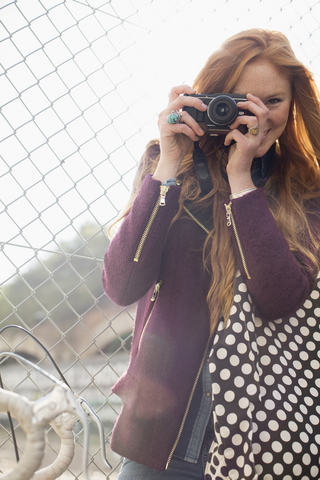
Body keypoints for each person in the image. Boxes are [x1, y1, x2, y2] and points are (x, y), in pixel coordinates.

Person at [102, 29, 320, 480]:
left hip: (266, 438)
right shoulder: (168, 165)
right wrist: (166, 167)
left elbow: (280, 297)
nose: (254, 114)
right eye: (238, 100)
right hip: (160, 437)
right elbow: (122, 284)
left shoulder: (306, 191)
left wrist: (244, 183)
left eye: (272, 101)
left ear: (295, 103)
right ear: (210, 96)